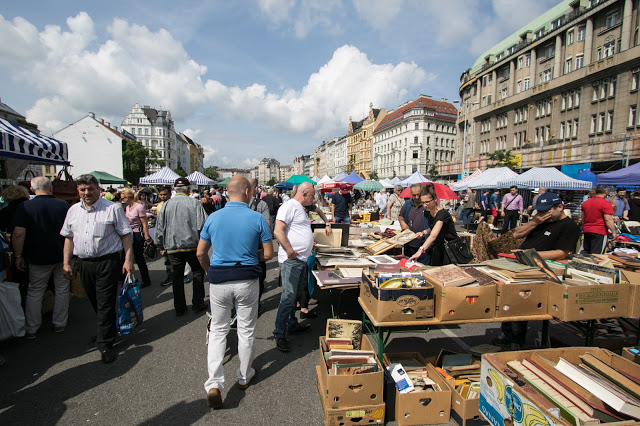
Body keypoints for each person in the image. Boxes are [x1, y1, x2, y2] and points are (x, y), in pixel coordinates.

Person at [197, 176, 273, 409]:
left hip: (219, 279)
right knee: (246, 328)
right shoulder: (258, 218)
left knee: (218, 329)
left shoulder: (213, 217)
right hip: (246, 279)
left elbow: (200, 253)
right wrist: (252, 256)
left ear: (227, 192)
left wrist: (211, 271)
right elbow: (268, 254)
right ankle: (244, 374)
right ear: (248, 191)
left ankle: (214, 383)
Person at [61, 174, 134, 363]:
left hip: (107, 262)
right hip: (84, 263)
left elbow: (126, 236)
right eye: (83, 189)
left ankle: (105, 344)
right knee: (95, 300)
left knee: (105, 301)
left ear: (98, 189)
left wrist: (128, 260)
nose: (87, 193)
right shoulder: (73, 211)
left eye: (90, 189)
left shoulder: (112, 209)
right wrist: (66, 263)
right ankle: (107, 330)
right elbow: (68, 238)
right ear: (78, 190)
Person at [494, 192, 581, 350]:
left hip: (540, 268)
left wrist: (530, 255)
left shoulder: (569, 227)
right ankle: (507, 333)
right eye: (539, 211)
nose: (542, 214)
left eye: (546, 210)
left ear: (559, 207)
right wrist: (535, 222)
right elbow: (516, 234)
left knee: (521, 302)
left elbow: (562, 252)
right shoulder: (541, 220)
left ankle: (515, 339)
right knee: (508, 300)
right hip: (521, 262)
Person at [12, 177, 70, 339]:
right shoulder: (63, 205)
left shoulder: (25, 206)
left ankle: (32, 327)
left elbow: (18, 233)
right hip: (61, 254)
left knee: (35, 291)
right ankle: (60, 323)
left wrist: (18, 255)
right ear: (51, 188)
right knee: (62, 289)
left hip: (37, 255)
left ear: (32, 189)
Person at [273, 182, 321, 352]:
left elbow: (296, 231)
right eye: (312, 195)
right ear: (304, 193)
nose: (313, 199)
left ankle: (292, 324)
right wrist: (289, 250)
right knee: (288, 296)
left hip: (299, 259)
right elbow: (278, 231)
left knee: (294, 297)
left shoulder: (299, 207)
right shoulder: (289, 206)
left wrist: (307, 244)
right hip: (291, 260)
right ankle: (279, 333)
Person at [155, 177, 208, 316]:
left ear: (174, 190)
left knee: (176, 277)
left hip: (173, 247)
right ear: (188, 189)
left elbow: (160, 228)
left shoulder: (166, 205)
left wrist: (160, 245)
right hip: (192, 245)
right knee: (197, 273)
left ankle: (179, 307)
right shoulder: (194, 203)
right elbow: (203, 225)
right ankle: (198, 303)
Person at [409, 184, 459, 266]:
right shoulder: (427, 212)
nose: (425, 205)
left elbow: (433, 235)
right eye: (423, 203)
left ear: (435, 199)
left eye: (427, 202)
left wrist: (420, 251)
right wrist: (424, 232)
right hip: (439, 246)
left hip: (450, 247)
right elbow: (433, 227)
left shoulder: (442, 214)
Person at [248, 178, 271, 315]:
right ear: (255, 188)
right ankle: (255, 305)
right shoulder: (261, 204)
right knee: (259, 277)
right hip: (257, 248)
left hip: (239, 249)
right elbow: (267, 226)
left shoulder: (232, 204)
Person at [121, 188, 152, 288]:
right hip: (129, 233)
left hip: (138, 233)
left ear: (128, 197)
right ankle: (129, 278)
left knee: (139, 257)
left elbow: (144, 223)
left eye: (123, 198)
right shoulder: (127, 207)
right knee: (128, 256)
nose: (122, 200)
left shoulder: (139, 207)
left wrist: (147, 237)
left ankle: (146, 279)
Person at [398, 183, 430, 264]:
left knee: (422, 268)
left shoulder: (427, 204)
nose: (416, 197)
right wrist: (403, 223)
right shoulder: (408, 203)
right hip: (409, 243)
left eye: (418, 195)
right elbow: (401, 217)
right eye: (414, 195)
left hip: (424, 244)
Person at [581, 185, 617, 254]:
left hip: (587, 230)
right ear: (606, 192)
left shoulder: (586, 203)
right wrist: (614, 232)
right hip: (599, 231)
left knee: (586, 252)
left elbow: (583, 217)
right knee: (597, 255)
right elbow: (608, 219)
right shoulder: (606, 203)